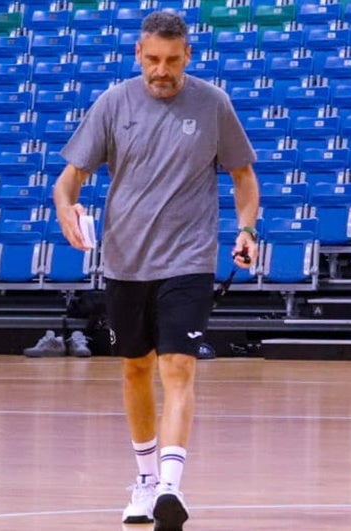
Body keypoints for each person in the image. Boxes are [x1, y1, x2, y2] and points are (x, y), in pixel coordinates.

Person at [52, 11, 259, 530]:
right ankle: (144, 481)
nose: (161, 71)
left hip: (188, 258)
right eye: (153, 60)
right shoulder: (113, 103)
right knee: (135, 367)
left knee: (179, 366)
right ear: (138, 55)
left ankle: (170, 486)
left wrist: (246, 229)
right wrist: (66, 210)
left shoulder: (213, 105)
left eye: (171, 60)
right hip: (125, 259)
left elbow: (243, 175)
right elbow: (69, 179)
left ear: (187, 55)